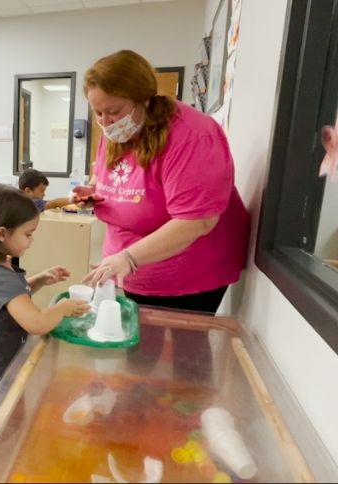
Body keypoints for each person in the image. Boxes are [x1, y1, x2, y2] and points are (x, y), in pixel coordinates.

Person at [80, 50, 250, 379]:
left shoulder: (192, 135)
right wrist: (95, 194)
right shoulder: (116, 133)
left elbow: (196, 221)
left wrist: (128, 258)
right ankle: (140, 410)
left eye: (113, 111)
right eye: (98, 113)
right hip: (136, 266)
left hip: (191, 269)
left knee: (189, 358)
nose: (105, 123)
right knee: (140, 348)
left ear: (143, 97)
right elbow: (115, 180)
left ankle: (190, 419)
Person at [0, 185, 89, 402]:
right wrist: (63, 308)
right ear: (2, 234)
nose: (32, 241)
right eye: (28, 234)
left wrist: (39, 279)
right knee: (4, 420)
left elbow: (13, 299)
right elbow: (36, 323)